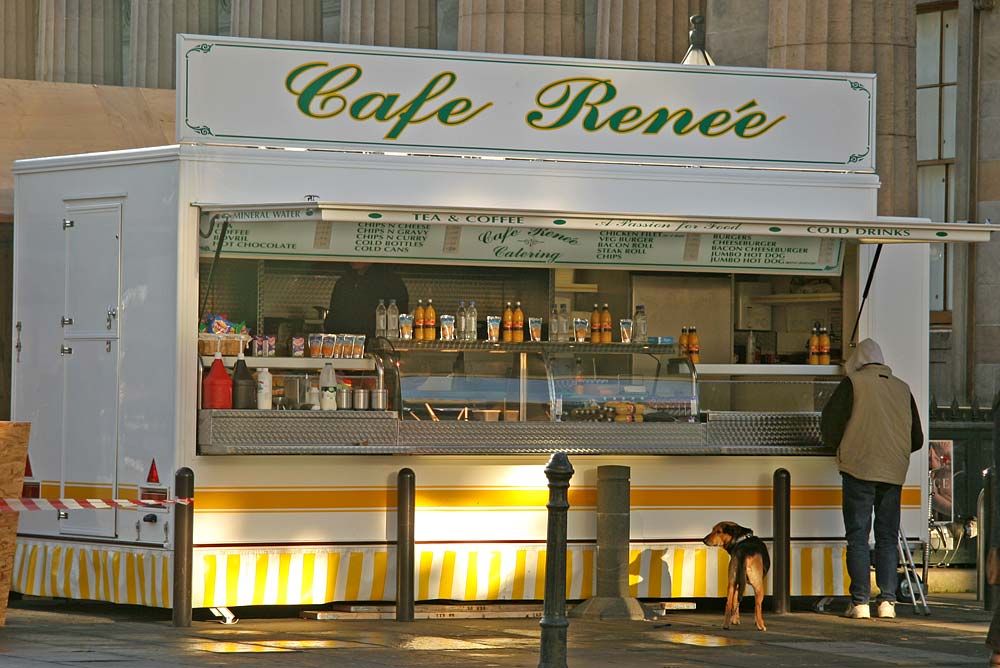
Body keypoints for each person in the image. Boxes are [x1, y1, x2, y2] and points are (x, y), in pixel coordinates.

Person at [820, 338, 923, 620]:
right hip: (893, 474)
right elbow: (917, 438)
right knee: (888, 537)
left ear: (859, 360)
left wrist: (841, 448)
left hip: (859, 470)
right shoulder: (903, 388)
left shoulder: (853, 383)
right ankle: (888, 602)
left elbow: (829, 425)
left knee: (858, 537)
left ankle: (860, 602)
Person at [324, 262, 409, 339]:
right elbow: (333, 321)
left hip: (380, 346)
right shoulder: (343, 283)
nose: (354, 258)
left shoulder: (392, 283)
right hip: (346, 347)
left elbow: (402, 322)